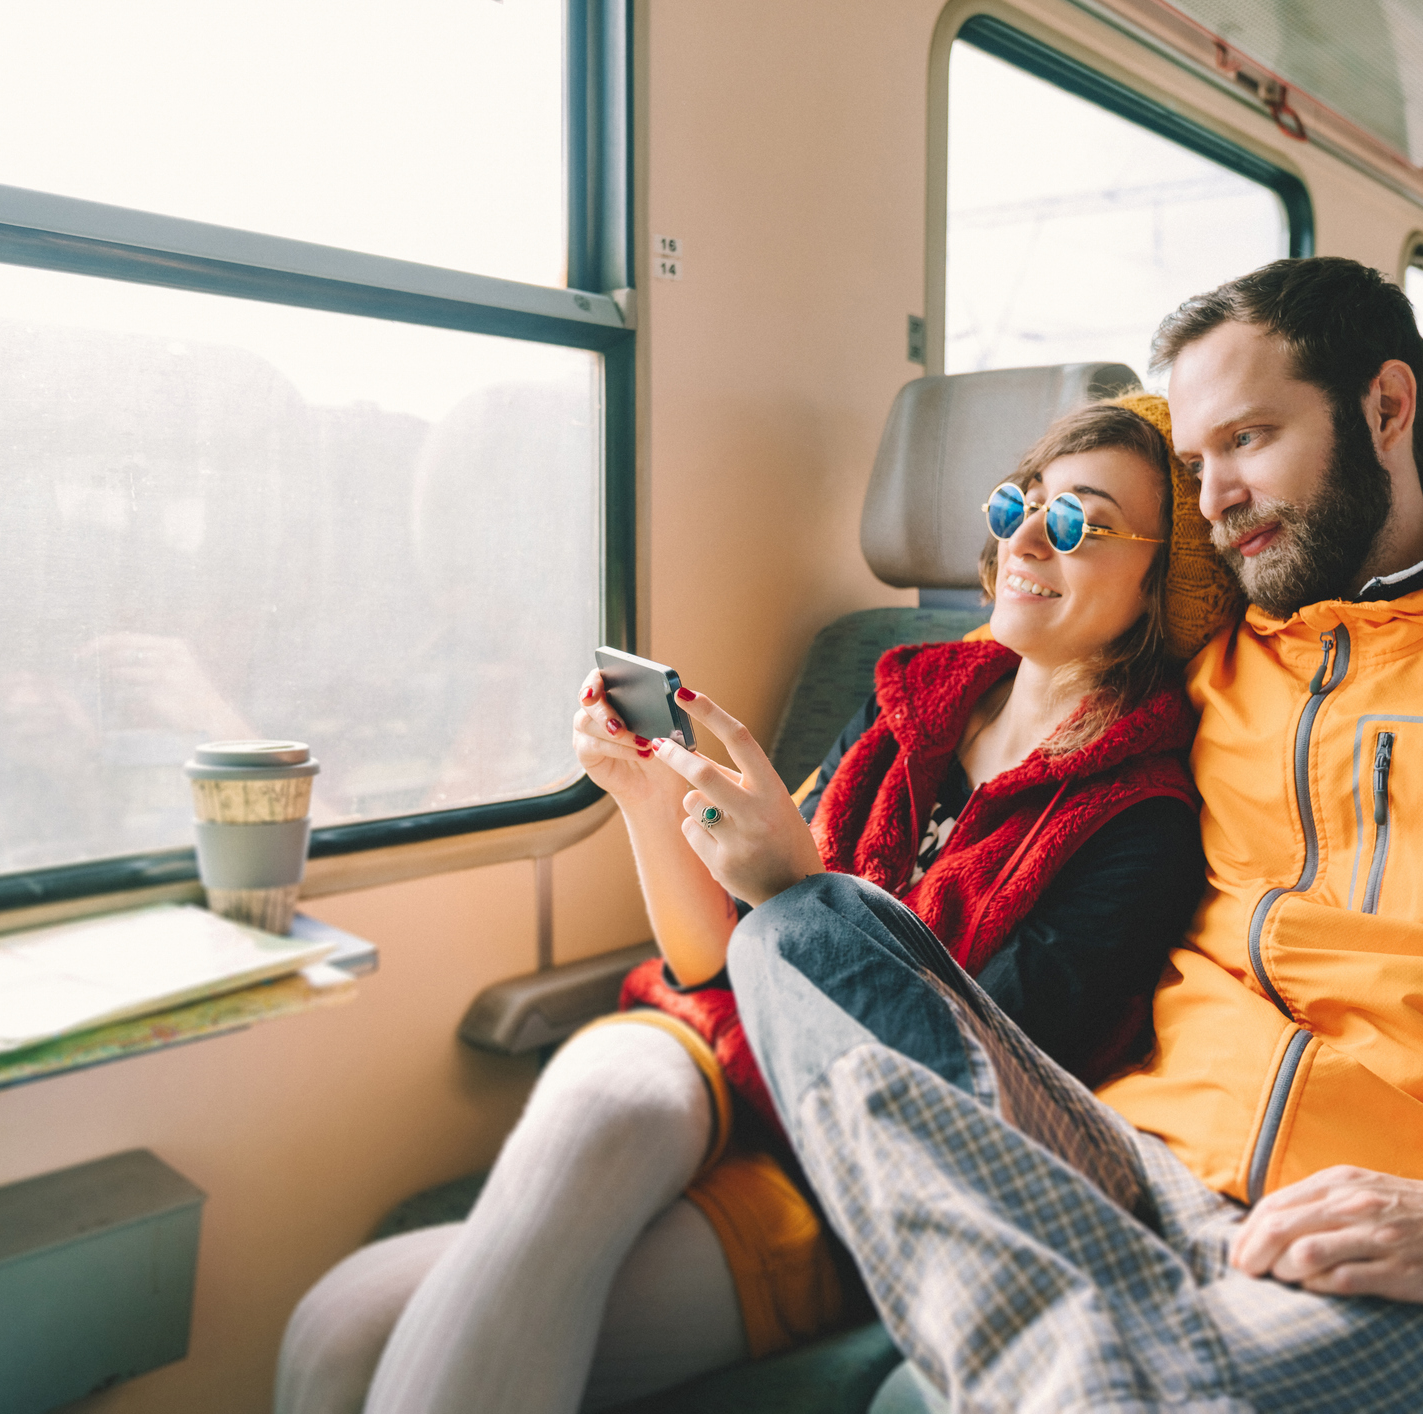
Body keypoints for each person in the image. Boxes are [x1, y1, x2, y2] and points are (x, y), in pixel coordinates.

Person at [716, 258, 1423, 1412]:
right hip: (1126, 1159)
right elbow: (1027, 650)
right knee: (805, 932)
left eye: (1249, 439)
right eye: (1194, 461)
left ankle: (1093, 1372)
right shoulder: (1203, 667)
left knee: (1140, 1385)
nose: (1211, 495)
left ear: (1383, 407)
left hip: (1416, 1237)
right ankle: (1096, 1366)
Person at [274, 393, 1240, 1414]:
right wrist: (648, 803)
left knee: (346, 1340)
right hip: (712, 1054)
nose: (1024, 541)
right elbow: (713, 965)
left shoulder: (1141, 822)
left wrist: (793, 892)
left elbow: (960, 1096)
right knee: (348, 1303)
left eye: (1077, 522)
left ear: (1158, 584)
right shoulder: (906, 696)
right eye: (1017, 506)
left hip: (850, 1167)